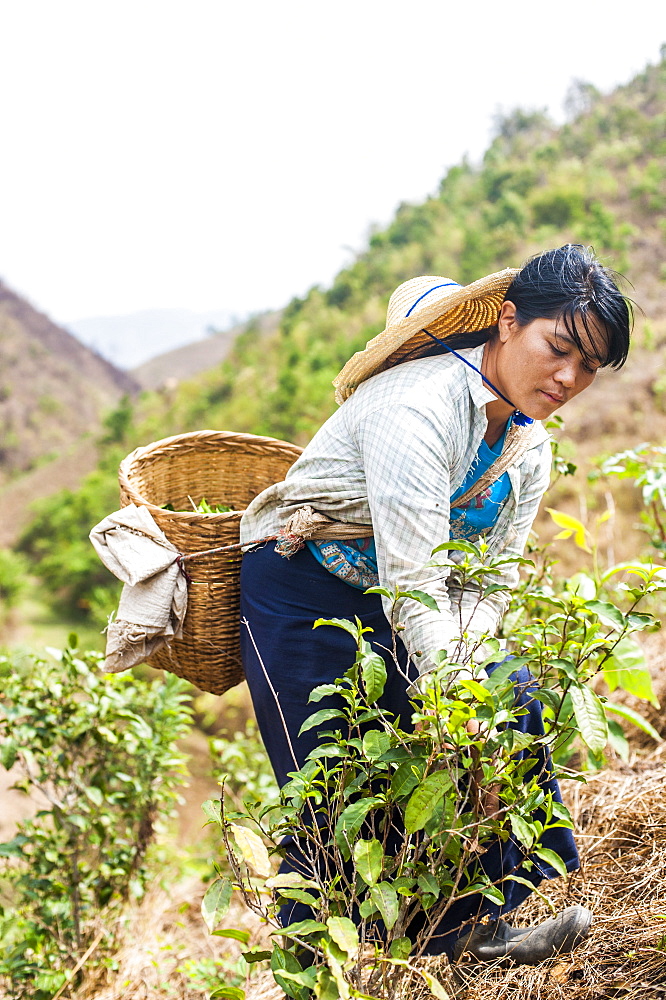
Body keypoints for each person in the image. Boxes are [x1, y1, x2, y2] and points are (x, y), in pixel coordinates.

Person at [238, 244, 632, 963]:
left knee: (510, 698)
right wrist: (456, 694)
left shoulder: (527, 445)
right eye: (560, 348)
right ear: (508, 322)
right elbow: (417, 582)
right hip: (302, 583)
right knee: (327, 779)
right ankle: (313, 967)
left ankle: (473, 931)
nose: (569, 377)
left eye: (589, 366)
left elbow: (489, 579)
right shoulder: (414, 407)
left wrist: (473, 685)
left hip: (401, 592)